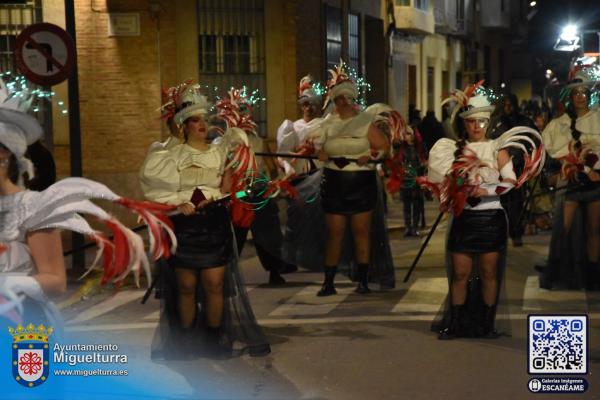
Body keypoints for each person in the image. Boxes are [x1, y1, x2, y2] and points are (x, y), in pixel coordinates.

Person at [0, 79, 172, 330]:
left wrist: (7, 284)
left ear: (4, 153)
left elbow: (56, 281)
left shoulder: (33, 207)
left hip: (19, 323)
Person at [140, 82, 270, 359]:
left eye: (205, 119)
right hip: (184, 227)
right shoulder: (169, 155)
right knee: (186, 287)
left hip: (214, 224)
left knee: (214, 285)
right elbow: (159, 191)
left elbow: (230, 189)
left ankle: (213, 341)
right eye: (195, 120)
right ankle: (187, 342)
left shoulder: (221, 152)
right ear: (184, 125)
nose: (202, 124)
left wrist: (228, 191)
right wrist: (179, 203)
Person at [424, 82, 544, 339]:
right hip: (464, 218)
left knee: (489, 273)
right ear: (464, 123)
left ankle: (487, 326)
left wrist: (486, 190)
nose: (477, 126)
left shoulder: (497, 149)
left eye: (481, 121)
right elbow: (441, 184)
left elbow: (511, 183)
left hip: (491, 219)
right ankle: (455, 324)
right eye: (471, 121)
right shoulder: (451, 150)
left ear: (487, 122)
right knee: (460, 273)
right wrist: (453, 192)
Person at [316, 61, 391, 296]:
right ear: (335, 101)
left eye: (348, 98)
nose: (344, 103)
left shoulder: (365, 121)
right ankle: (328, 282)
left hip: (361, 181)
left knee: (361, 230)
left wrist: (369, 154)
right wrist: (321, 153)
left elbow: (384, 147)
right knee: (334, 232)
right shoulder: (327, 124)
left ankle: (363, 280)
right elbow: (315, 149)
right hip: (334, 181)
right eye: (340, 99)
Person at [215, 87, 294, 285]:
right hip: (236, 196)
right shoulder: (221, 144)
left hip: (257, 192)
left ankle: (275, 271)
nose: (242, 114)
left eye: (244, 110)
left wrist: (271, 184)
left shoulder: (258, 143)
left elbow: (270, 168)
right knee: (234, 235)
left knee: (269, 233)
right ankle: (226, 273)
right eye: (237, 110)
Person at [540, 65, 600, 290]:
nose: (580, 97)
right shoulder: (560, 124)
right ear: (571, 97)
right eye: (576, 93)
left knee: (594, 231)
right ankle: (554, 271)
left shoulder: (599, 118)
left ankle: (593, 276)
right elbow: (547, 150)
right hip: (571, 184)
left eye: (584, 92)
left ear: (589, 94)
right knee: (562, 229)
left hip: (595, 184)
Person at [489, 94, 537, 246]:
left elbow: (535, 139)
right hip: (500, 168)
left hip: (518, 168)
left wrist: (528, 158)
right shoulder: (495, 123)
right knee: (501, 203)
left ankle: (516, 233)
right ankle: (502, 233)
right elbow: (489, 141)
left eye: (511, 104)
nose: (508, 107)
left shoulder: (524, 122)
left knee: (517, 203)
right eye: (506, 104)